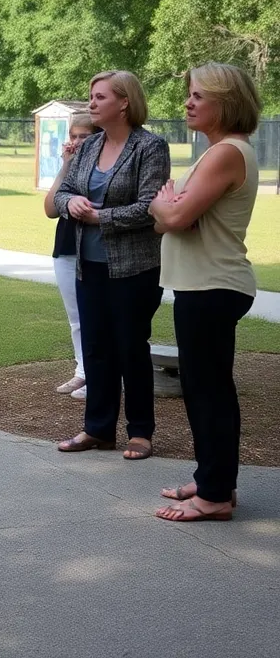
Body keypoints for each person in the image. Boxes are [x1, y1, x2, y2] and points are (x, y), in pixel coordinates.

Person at [148, 63, 262, 522]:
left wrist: (162, 204)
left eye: (198, 95)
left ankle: (214, 495)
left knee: (209, 390)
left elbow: (173, 218)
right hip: (204, 284)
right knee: (204, 388)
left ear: (225, 102)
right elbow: (175, 216)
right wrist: (167, 207)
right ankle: (213, 478)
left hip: (213, 285)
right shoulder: (219, 152)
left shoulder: (225, 153)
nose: (188, 103)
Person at [54, 70, 170, 461]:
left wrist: (99, 218)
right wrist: (70, 203)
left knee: (130, 349)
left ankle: (140, 433)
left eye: (100, 96)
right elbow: (66, 190)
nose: (92, 103)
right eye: (91, 96)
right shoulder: (89, 146)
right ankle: (98, 430)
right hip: (89, 265)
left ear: (124, 102)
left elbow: (150, 207)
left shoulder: (150, 147)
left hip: (134, 269)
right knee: (97, 347)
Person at [43, 111, 97, 400]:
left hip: (95, 246)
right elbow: (51, 208)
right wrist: (65, 166)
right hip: (66, 246)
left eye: (83, 137)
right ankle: (83, 371)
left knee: (95, 316)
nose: (76, 142)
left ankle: (101, 375)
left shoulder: (102, 166)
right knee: (76, 317)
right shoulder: (71, 167)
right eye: (73, 136)